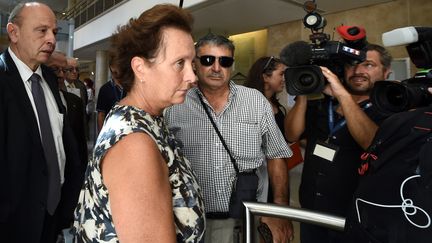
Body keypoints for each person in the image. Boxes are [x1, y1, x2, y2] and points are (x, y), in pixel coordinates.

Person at [71, 4, 205, 242]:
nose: (193, 77)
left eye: (192, 63)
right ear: (140, 68)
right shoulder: (135, 145)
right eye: (179, 63)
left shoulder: (146, 119)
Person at [165, 33, 294, 243]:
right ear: (195, 64)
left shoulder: (254, 101)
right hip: (188, 220)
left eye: (224, 61)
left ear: (231, 66)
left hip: (244, 221)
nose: (216, 68)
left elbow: (276, 155)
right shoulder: (176, 104)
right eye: (208, 60)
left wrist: (279, 210)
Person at [284, 44, 392, 243]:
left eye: (368, 65)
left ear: (386, 72)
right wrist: (303, 95)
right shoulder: (322, 103)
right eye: (352, 65)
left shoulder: (389, 110)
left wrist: (343, 95)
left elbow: (370, 141)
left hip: (354, 218)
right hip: (311, 211)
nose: (358, 71)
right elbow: (291, 134)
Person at [0, 2, 82, 243]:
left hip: (52, 217)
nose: (51, 40)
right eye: (42, 31)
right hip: (12, 224)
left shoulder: (47, 76)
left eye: (55, 32)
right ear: (13, 32)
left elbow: (60, 142)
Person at [96, 57, 126, 132]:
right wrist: (101, 135)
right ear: (111, 67)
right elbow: (101, 114)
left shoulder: (130, 86)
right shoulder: (105, 89)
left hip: (127, 127)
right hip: (111, 130)